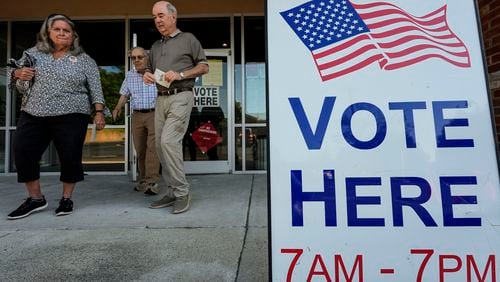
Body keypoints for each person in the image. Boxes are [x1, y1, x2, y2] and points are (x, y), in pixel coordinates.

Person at [6, 14, 108, 220]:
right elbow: (15, 75)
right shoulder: (33, 54)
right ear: (48, 33)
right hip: (34, 112)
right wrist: (17, 74)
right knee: (22, 150)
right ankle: (35, 198)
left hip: (72, 113)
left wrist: (99, 112)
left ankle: (66, 198)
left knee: (69, 156)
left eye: (66, 30)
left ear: (73, 36)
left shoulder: (84, 60)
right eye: (57, 29)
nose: (62, 33)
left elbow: (96, 89)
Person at [143, 1, 209, 214]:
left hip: (181, 96)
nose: (157, 20)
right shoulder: (155, 46)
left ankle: (182, 192)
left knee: (168, 142)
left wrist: (180, 74)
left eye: (161, 15)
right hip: (160, 98)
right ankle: (172, 190)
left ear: (173, 16)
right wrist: (147, 75)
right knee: (161, 147)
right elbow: (150, 70)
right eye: (154, 17)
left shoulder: (188, 39)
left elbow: (204, 66)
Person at [113, 47, 161, 195]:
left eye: (140, 57)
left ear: (147, 57)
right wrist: (118, 107)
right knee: (140, 150)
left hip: (154, 114)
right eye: (134, 58)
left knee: (152, 149)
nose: (137, 60)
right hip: (137, 116)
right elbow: (124, 94)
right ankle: (143, 180)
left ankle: (152, 182)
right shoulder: (130, 75)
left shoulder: (157, 73)